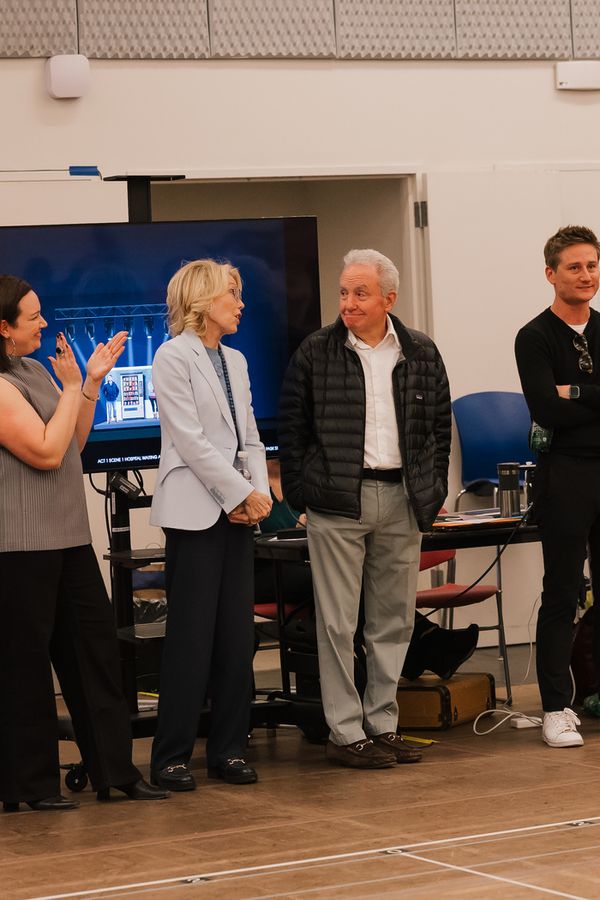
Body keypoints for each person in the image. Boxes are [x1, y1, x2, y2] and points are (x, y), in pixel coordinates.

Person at [0, 274, 168, 812]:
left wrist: (91, 382)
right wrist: (72, 388)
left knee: (94, 656)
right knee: (25, 668)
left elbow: (72, 441)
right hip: (18, 545)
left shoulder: (32, 369)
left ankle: (114, 772)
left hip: (68, 535)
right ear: (3, 328)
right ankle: (29, 787)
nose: (44, 323)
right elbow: (45, 454)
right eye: (33, 317)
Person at [279, 248, 451, 769]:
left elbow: (439, 431)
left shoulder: (421, 351)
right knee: (336, 623)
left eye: (360, 293)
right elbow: (292, 429)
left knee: (393, 619)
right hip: (337, 501)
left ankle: (383, 722)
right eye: (344, 292)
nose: (348, 302)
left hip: (401, 499)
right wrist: (301, 495)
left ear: (389, 299)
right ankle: (345, 731)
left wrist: (432, 489)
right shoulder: (315, 352)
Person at [149, 259, 271, 791]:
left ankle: (229, 749)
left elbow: (249, 434)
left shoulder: (237, 359)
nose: (240, 303)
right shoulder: (171, 356)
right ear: (202, 300)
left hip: (239, 509)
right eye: (232, 293)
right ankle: (171, 757)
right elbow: (191, 440)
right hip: (195, 510)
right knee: (190, 640)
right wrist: (239, 492)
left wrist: (260, 494)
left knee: (235, 639)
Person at [255, 458, 479, 681]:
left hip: (302, 566)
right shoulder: (252, 482)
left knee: (349, 579)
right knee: (340, 580)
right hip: (262, 572)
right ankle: (427, 643)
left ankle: (421, 646)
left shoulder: (300, 481)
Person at [515, 224, 600, 748]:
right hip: (567, 475)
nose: (586, 275)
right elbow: (546, 409)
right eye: (574, 266)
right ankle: (555, 708)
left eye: (592, 265)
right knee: (562, 592)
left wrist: (579, 392)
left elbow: (566, 402)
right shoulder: (535, 336)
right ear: (551, 273)